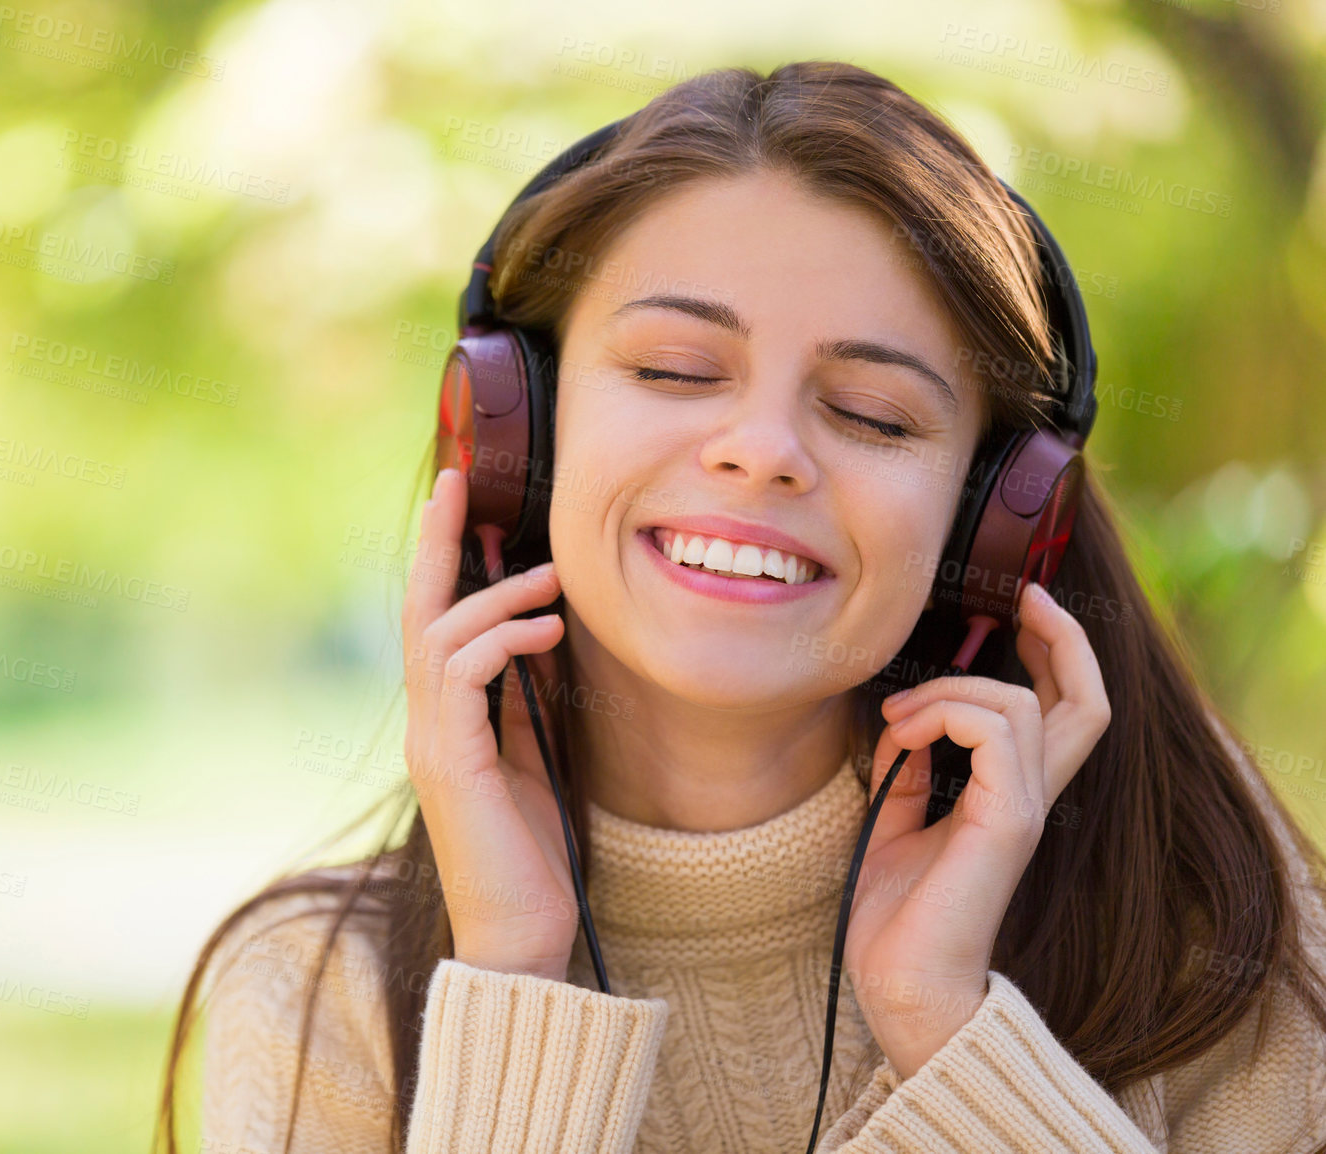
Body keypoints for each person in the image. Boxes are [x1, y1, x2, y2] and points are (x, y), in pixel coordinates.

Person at [158, 62, 1326, 1153]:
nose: (761, 452)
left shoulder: (1208, 927)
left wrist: (947, 1029)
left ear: (999, 517)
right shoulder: (319, 984)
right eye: (671, 369)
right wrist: (512, 975)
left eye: (872, 413)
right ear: (514, 430)